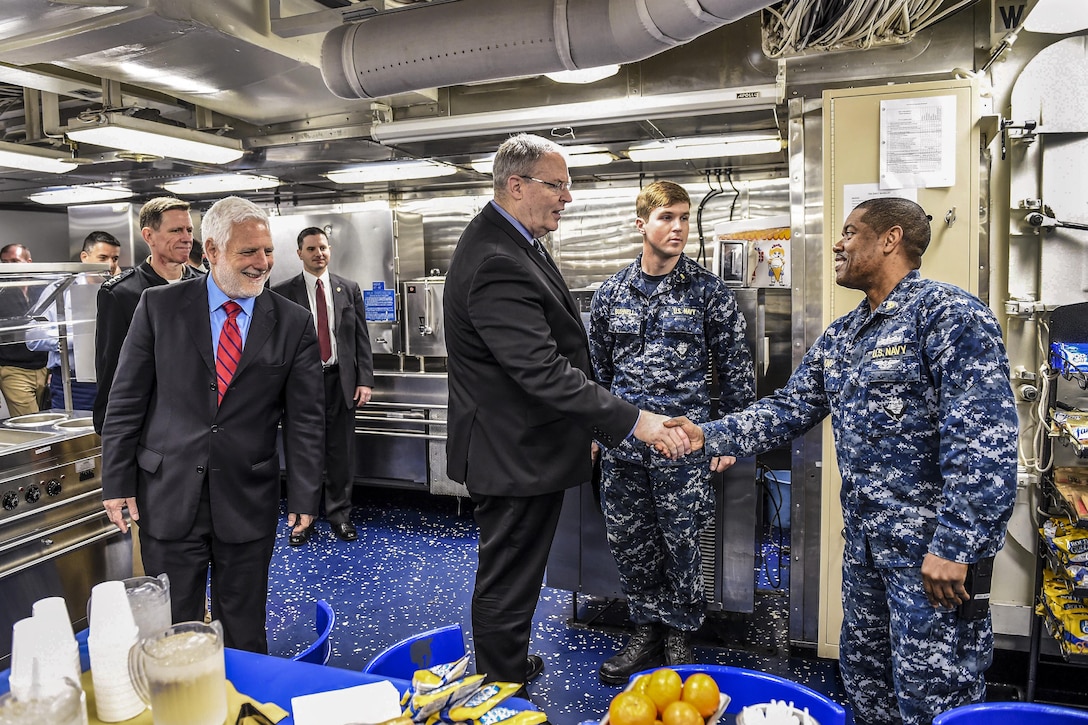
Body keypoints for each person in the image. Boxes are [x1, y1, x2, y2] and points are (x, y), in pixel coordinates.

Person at [663, 198, 1018, 725]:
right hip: (867, 551)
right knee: (867, 684)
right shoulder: (844, 336)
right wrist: (704, 436)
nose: (838, 243)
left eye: (850, 232)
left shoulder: (949, 317)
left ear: (890, 239)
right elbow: (788, 408)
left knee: (935, 696)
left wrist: (955, 546)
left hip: (932, 561)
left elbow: (986, 443)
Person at [443, 133, 692, 688]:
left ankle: (501, 662)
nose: (568, 198)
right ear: (516, 185)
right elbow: (541, 371)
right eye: (557, 185)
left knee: (517, 573)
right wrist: (637, 421)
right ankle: (498, 688)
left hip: (526, 448)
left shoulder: (516, 243)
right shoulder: (494, 259)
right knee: (508, 578)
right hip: (514, 454)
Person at [100, 196, 324, 654]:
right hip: (168, 493)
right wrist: (116, 481)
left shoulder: (292, 322)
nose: (261, 263)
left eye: (267, 251)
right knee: (171, 634)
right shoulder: (157, 307)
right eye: (248, 252)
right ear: (214, 251)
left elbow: (305, 419)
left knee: (243, 628)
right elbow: (125, 400)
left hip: (246, 495)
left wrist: (305, 493)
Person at [588, 180, 755, 683]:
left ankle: (680, 633)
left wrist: (727, 438)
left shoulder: (709, 293)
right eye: (667, 218)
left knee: (682, 543)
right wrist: (597, 432)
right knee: (630, 543)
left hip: (683, 450)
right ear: (642, 225)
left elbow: (736, 370)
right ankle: (645, 631)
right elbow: (597, 373)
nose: (679, 227)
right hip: (625, 448)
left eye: (684, 217)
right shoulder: (610, 293)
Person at [273, 227, 373, 544]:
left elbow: (361, 339)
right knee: (303, 453)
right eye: (312, 248)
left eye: (324, 248)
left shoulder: (348, 289)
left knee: (341, 454)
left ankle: (340, 515)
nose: (319, 253)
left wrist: (364, 381)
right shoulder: (282, 293)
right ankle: (303, 518)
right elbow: (276, 346)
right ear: (300, 253)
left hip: (340, 381)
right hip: (302, 386)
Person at [93, 197, 201, 433]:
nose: (186, 238)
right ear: (148, 235)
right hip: (151, 424)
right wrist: (111, 431)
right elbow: (111, 369)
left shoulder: (205, 285)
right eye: (176, 230)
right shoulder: (121, 293)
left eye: (189, 230)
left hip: (199, 420)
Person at [27, 231, 122, 410]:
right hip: (75, 384)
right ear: (84, 257)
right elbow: (33, 337)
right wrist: (78, 337)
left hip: (116, 380)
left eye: (115, 258)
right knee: (80, 437)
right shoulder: (62, 290)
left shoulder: (121, 289)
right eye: (103, 257)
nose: (110, 264)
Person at [0, 243, 48, 415]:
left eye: (14, 261)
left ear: (28, 262)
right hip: (13, 369)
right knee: (31, 421)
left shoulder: (43, 288)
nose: (8, 267)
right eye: (4, 262)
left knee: (46, 417)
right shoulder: (2, 291)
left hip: (43, 367)